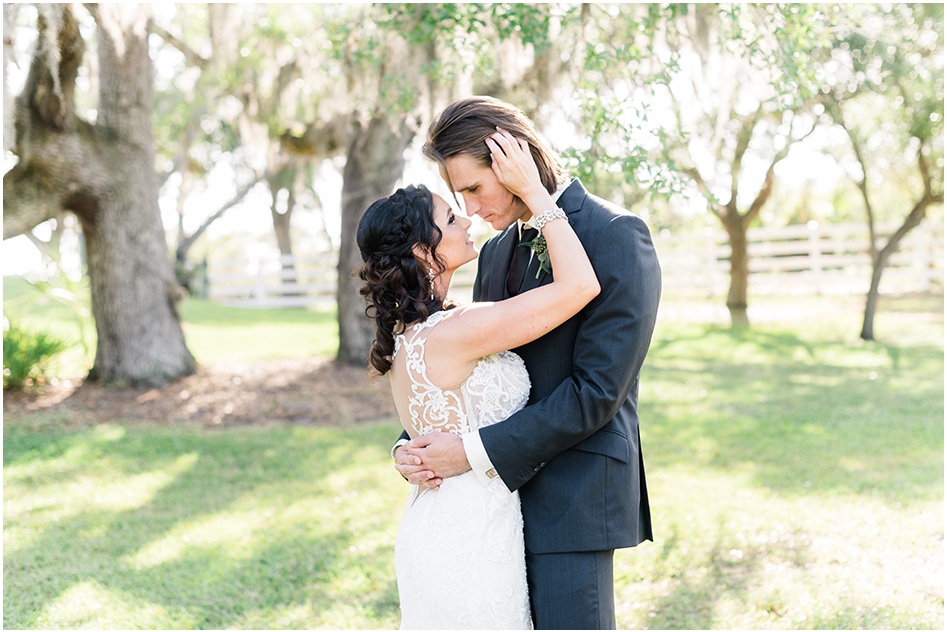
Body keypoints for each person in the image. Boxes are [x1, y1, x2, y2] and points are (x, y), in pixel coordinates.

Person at [394, 96, 662, 630]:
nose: (470, 210)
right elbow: (463, 366)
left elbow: (597, 392)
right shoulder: (495, 252)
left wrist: (469, 452)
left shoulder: (615, 234)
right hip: (489, 507)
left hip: (572, 495)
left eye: (473, 188)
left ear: (512, 157)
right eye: (458, 197)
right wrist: (415, 446)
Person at [357, 127, 601, 629]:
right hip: (470, 533)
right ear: (425, 252)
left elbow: (434, 422)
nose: (467, 217)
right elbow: (580, 285)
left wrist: (402, 450)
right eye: (450, 216)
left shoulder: (414, 335)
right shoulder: (456, 331)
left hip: (443, 522)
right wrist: (535, 193)